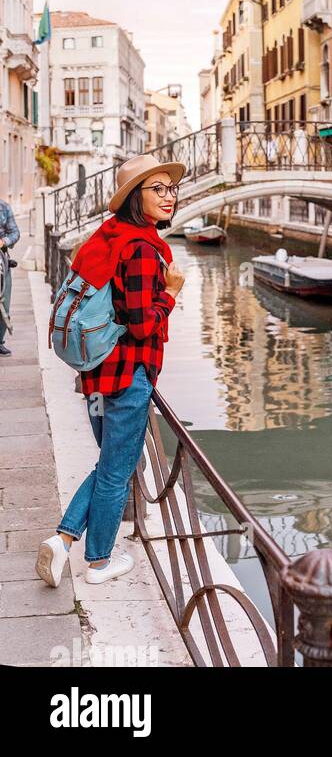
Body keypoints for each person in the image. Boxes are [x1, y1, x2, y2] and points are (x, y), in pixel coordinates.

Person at [36, 153, 186, 589]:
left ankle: (64, 540)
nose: (168, 196)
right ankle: (98, 561)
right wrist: (171, 293)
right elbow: (142, 325)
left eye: (171, 188)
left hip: (97, 374)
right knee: (117, 470)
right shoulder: (140, 249)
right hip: (128, 375)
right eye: (156, 189)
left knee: (111, 463)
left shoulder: (107, 235)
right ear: (134, 198)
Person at [0, 196, 20, 357]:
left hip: (2, 263)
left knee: (4, 305)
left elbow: (15, 233)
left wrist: (3, 241)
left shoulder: (4, 207)